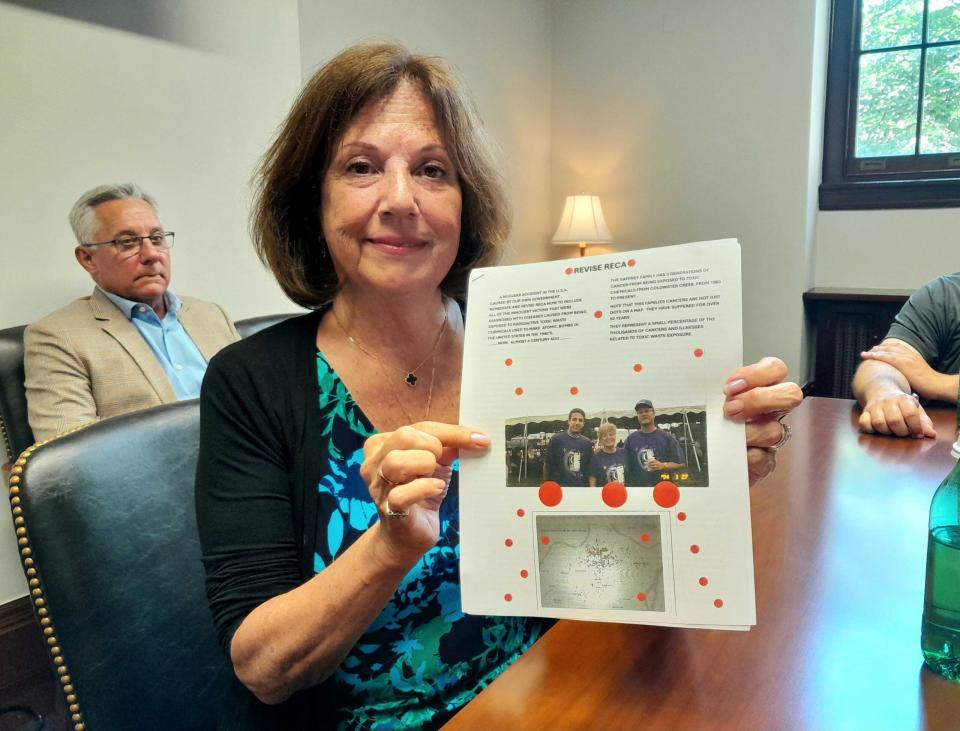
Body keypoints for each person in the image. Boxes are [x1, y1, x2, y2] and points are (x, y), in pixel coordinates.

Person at [194, 42, 803, 730]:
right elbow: (264, 669)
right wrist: (388, 547)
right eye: (361, 167)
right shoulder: (251, 381)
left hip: (554, 689)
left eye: (432, 170)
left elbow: (606, 575)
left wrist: (698, 485)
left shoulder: (536, 349)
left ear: (466, 203)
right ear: (313, 198)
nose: (401, 200)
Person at [23, 183, 239, 440]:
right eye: (127, 242)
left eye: (157, 239)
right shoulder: (56, 337)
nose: (151, 255)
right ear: (87, 259)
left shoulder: (211, 316)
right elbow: (69, 457)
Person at [853, 273, 960, 439]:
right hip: (938, 449)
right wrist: (886, 393)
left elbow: (933, 381)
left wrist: (939, 383)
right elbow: (885, 360)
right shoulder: (945, 294)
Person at [624, 400, 685, 487]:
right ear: (637, 416)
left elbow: (681, 464)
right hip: (639, 489)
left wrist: (663, 465)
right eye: (640, 412)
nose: (643, 414)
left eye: (647, 411)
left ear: (653, 413)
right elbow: (621, 460)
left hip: (662, 487)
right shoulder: (631, 439)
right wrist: (604, 450)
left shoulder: (667, 437)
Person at [542, 408, 593, 486]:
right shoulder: (556, 439)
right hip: (559, 488)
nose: (577, 422)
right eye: (574, 419)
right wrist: (545, 484)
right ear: (569, 421)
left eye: (580, 420)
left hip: (580, 489)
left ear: (583, 423)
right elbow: (547, 465)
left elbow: (589, 469)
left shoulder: (588, 443)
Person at [588, 422, 627, 487]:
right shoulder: (596, 457)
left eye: (611, 434)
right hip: (604, 495)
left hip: (623, 494)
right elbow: (592, 481)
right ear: (600, 440)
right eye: (604, 435)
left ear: (615, 436)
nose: (608, 437)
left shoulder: (624, 453)